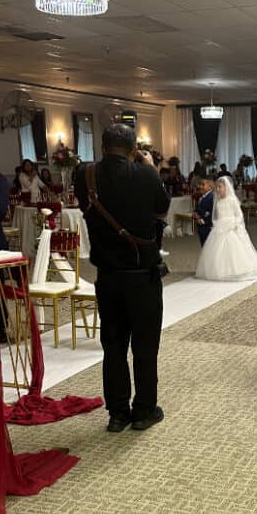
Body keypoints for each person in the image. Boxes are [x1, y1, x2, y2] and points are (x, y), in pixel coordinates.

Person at [84, 122, 169, 433]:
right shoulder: (145, 173)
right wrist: (149, 168)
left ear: (103, 147)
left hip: (107, 276)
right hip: (142, 276)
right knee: (145, 346)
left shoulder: (87, 174)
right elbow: (162, 208)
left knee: (114, 346)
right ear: (134, 149)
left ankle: (118, 413)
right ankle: (144, 410)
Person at [195, 176, 257, 282]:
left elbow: (239, 215)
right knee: (217, 250)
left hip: (231, 226)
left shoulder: (232, 200)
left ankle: (235, 271)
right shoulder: (218, 201)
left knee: (233, 249)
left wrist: (234, 224)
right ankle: (219, 271)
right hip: (220, 227)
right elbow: (216, 216)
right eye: (217, 187)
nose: (218, 189)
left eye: (220, 187)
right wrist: (216, 223)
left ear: (226, 188)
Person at [195, 179, 214, 245]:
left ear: (210, 187)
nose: (200, 186)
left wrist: (202, 221)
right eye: (200, 184)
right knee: (203, 244)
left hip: (207, 227)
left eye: (203, 185)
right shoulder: (202, 197)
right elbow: (198, 208)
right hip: (201, 227)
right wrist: (196, 214)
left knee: (207, 245)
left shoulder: (211, 198)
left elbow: (212, 212)